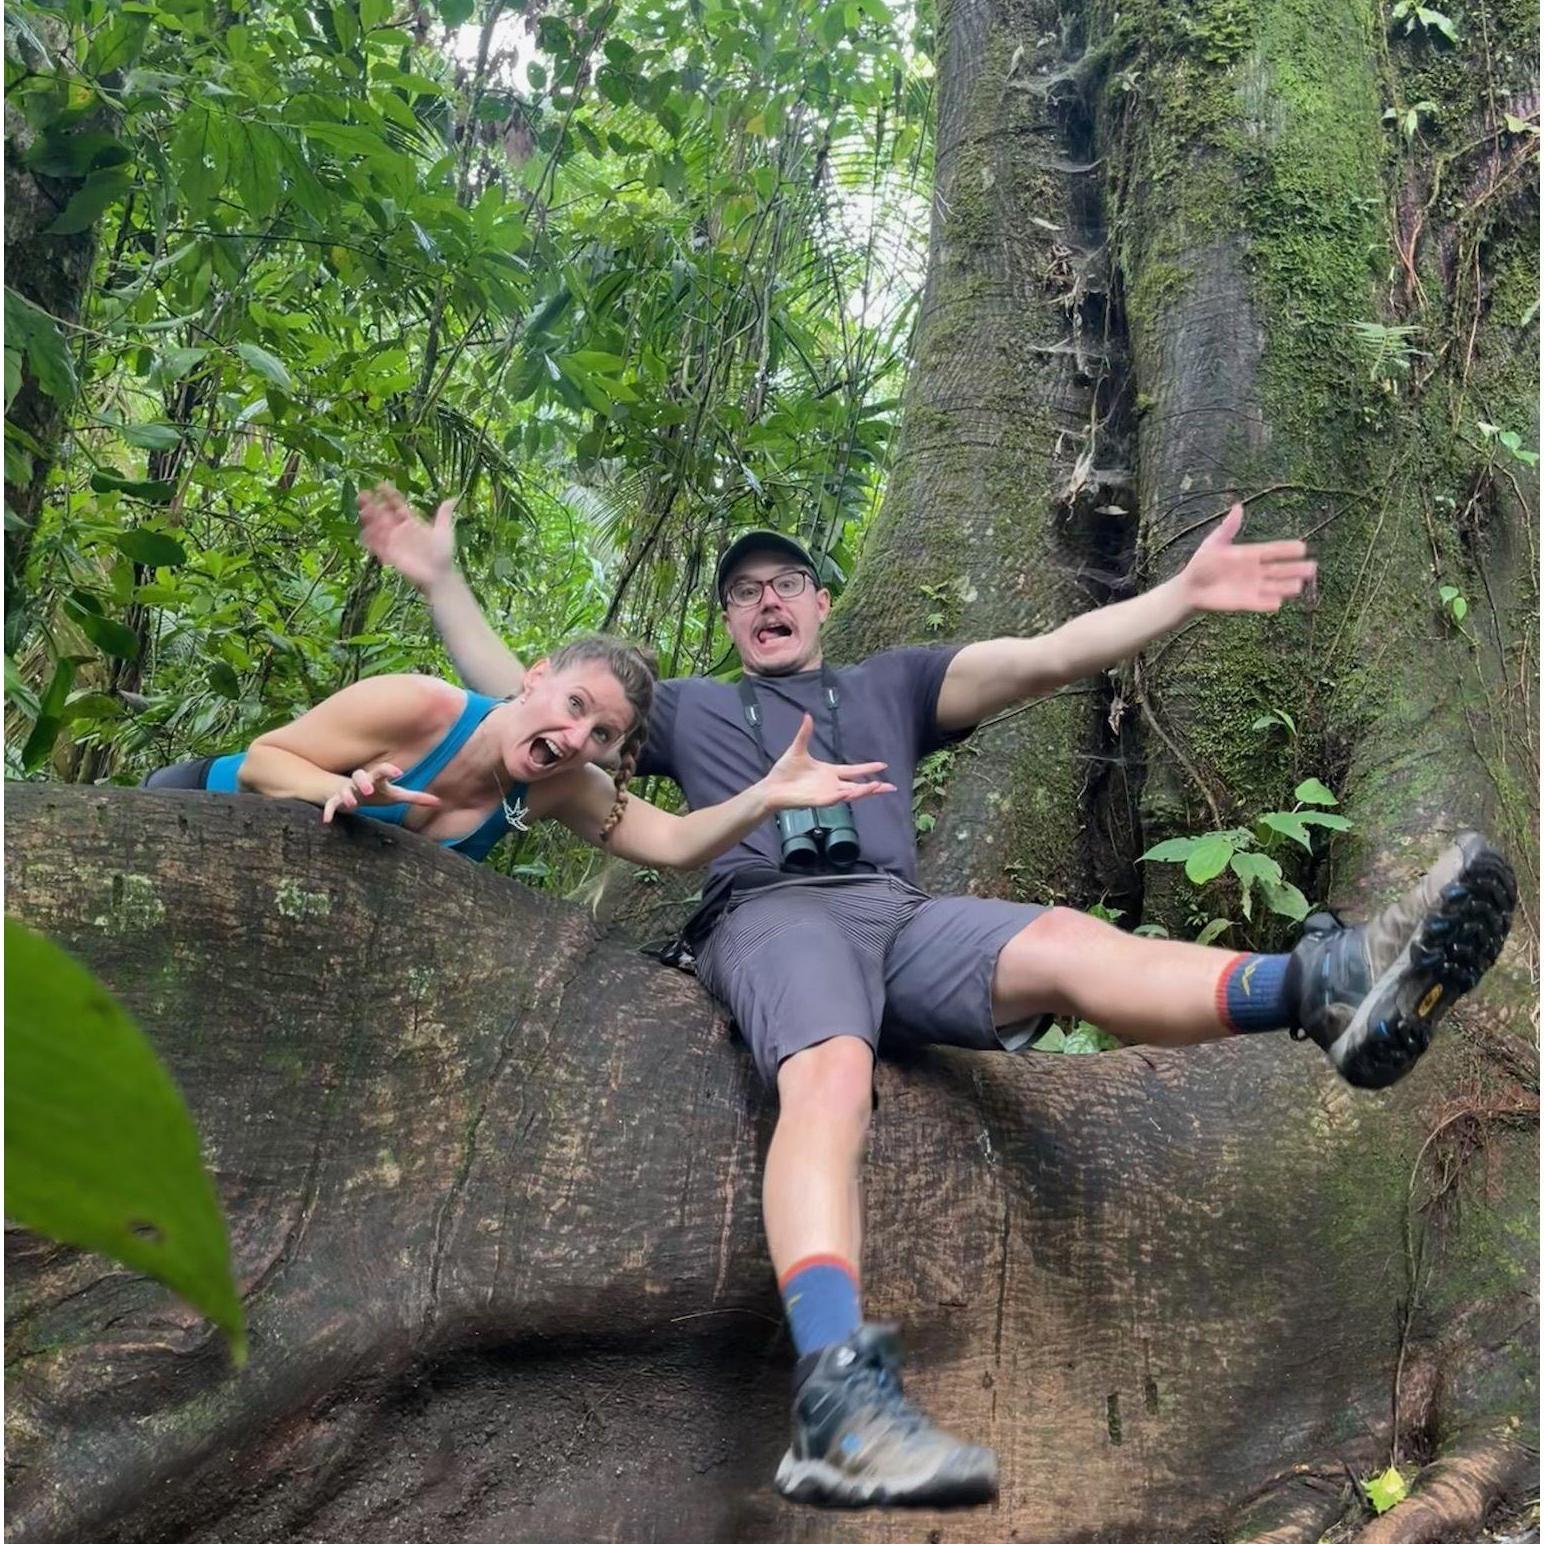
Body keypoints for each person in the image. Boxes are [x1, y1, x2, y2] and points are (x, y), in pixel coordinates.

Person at [359, 485, 1517, 1509]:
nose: (765, 600)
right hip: (769, 912)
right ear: (727, 619)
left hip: (900, 913)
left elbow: (1051, 653)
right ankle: (840, 1403)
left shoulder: (890, 684)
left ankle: (1322, 989)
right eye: (743, 590)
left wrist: (1179, 593)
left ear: (819, 603)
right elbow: (534, 705)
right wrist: (443, 580)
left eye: (785, 584)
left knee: (1067, 943)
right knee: (827, 1077)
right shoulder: (689, 712)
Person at [142, 631, 897, 872]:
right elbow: (263, 759)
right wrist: (332, 792)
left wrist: (765, 796)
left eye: (601, 734)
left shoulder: (563, 786)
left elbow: (671, 844)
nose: (576, 739)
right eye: (573, 706)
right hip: (190, 814)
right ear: (534, 680)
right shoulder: (421, 706)